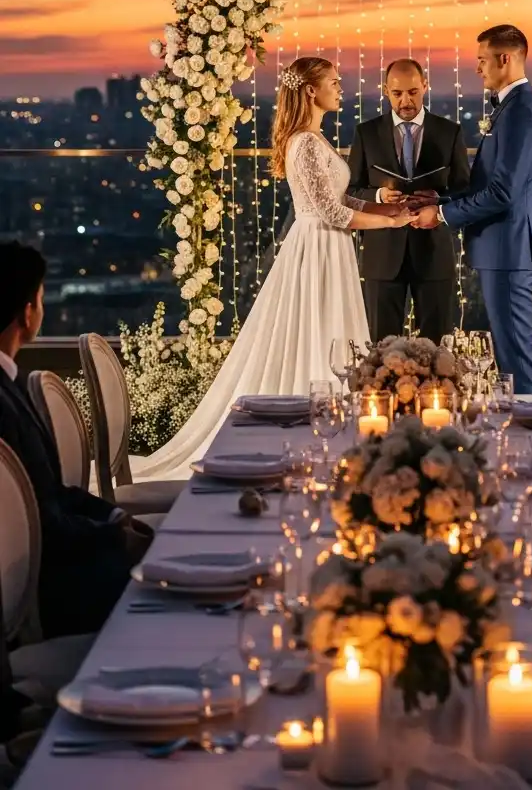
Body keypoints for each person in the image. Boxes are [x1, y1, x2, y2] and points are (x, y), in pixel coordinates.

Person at [132, 58, 410, 481]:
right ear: (312, 91)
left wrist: (384, 205)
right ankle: (314, 434)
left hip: (329, 247)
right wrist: (390, 222)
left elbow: (344, 202)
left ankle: (334, 434)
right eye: (334, 82)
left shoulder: (314, 139)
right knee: (317, 330)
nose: (341, 89)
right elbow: (332, 214)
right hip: (318, 248)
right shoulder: (305, 143)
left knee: (330, 330)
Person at [0, 242, 153, 638]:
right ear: (27, 312)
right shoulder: (3, 403)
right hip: (52, 588)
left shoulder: (9, 385)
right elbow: (42, 522)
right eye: (40, 298)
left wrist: (115, 517)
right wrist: (113, 537)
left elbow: (51, 494)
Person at [412, 25, 532, 393]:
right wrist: (440, 200)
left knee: (515, 357)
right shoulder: (512, 108)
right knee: (511, 354)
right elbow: (492, 184)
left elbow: (503, 192)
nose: (477, 69)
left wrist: (441, 217)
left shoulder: (521, 112)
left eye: (482, 60)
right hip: (504, 248)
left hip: (509, 248)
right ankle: (526, 435)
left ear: (505, 59)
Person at [347, 58, 470, 342]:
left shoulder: (449, 132)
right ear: (385, 90)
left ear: (425, 86)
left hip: (434, 254)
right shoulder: (366, 133)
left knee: (438, 347)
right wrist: (378, 195)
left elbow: (465, 191)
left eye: (413, 92)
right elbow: (351, 192)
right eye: (397, 93)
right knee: (381, 348)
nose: (405, 101)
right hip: (382, 256)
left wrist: (440, 200)